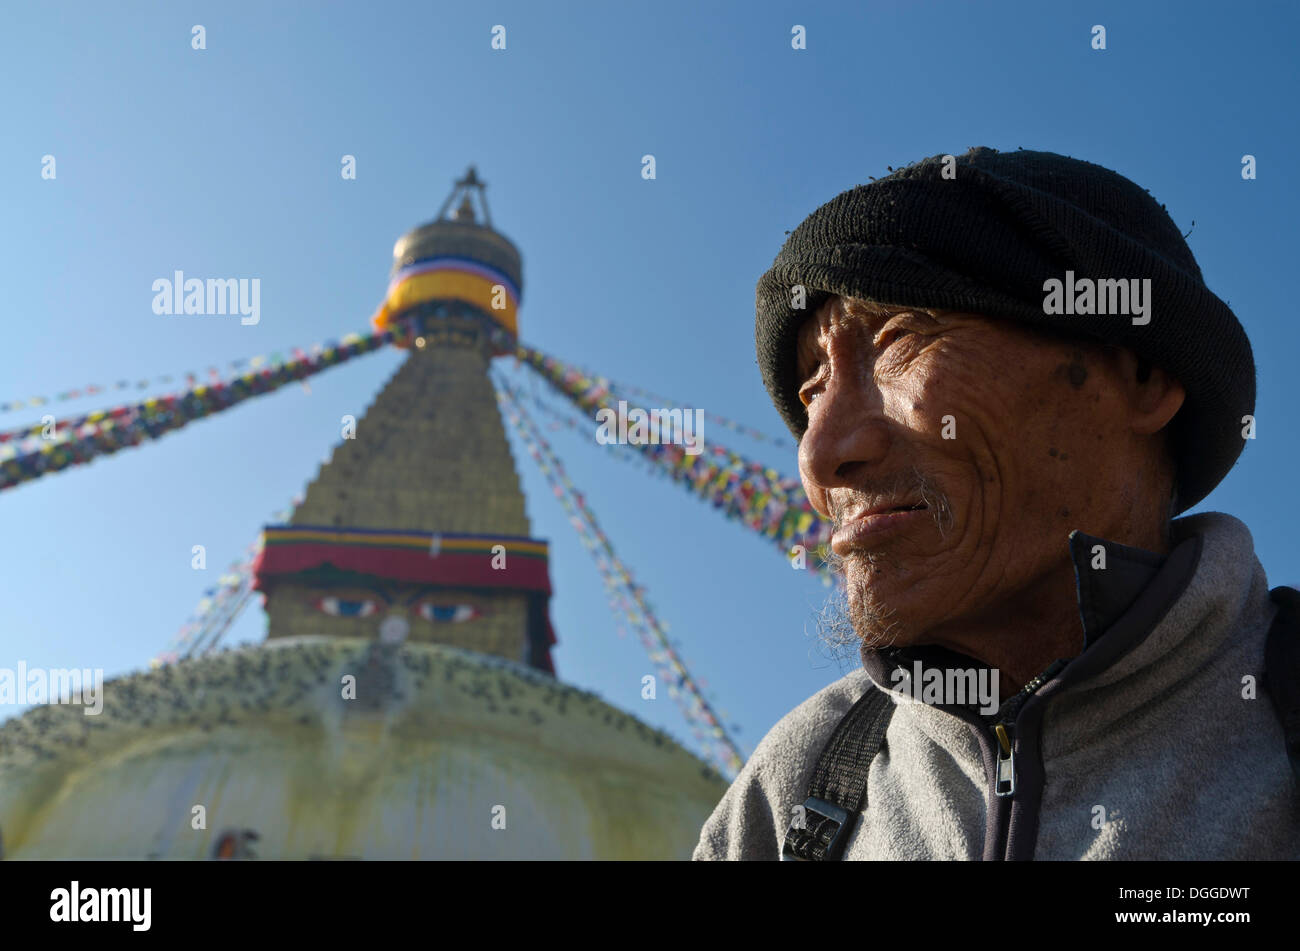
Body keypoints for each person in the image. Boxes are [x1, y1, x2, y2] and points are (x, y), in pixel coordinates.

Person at [694, 147, 1298, 860]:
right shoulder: (789, 793)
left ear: (1141, 374)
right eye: (811, 389)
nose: (820, 455)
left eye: (901, 337)